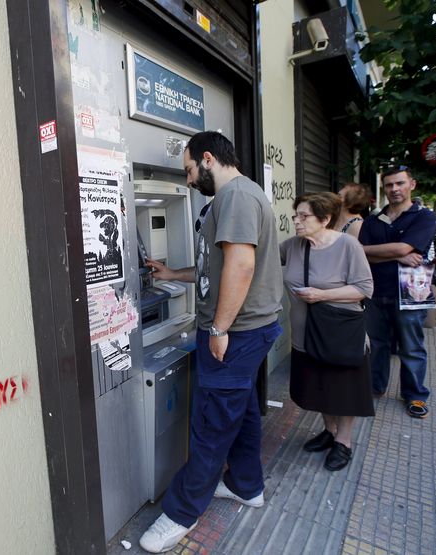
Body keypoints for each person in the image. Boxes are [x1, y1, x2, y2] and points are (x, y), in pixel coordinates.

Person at [139, 131, 283, 553]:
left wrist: (219, 329)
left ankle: (181, 512)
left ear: (207, 159)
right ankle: (245, 485)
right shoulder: (240, 195)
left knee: (211, 423)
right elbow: (213, 269)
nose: (187, 181)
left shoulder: (235, 196)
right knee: (242, 411)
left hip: (235, 333)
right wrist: (171, 275)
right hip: (248, 329)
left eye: (188, 171)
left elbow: (240, 264)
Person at [280, 192, 374, 471]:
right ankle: (329, 431)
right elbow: (257, 256)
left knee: (343, 390)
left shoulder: (348, 245)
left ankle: (343, 442)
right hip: (305, 336)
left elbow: (364, 289)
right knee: (319, 386)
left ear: (325, 219)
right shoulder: (294, 246)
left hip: (339, 334)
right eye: (295, 215)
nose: (296, 221)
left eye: (303, 216)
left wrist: (321, 295)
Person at [358, 166, 436, 418]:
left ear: (411, 185)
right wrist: (398, 254)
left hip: (411, 292)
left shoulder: (423, 217)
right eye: (389, 184)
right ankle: (375, 387)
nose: (394, 189)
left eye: (400, 183)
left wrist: (391, 251)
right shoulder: (372, 220)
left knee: (411, 346)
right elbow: (359, 251)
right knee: (378, 344)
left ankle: (415, 395)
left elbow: (406, 247)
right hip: (376, 290)